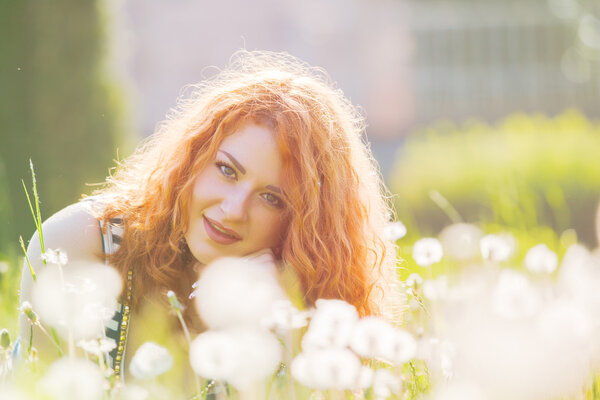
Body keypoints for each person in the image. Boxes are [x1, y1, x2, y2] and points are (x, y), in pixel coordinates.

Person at [20, 50, 400, 382]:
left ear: (303, 225)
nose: (233, 210)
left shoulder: (296, 311)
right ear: (191, 160)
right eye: (227, 170)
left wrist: (273, 331)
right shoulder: (77, 247)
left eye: (271, 198)